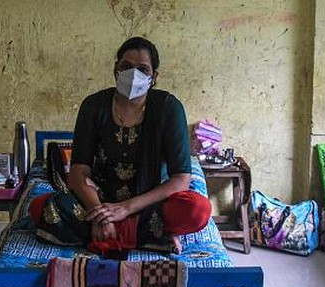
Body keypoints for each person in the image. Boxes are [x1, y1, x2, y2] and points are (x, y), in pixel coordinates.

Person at [30, 37, 211, 257]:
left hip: (149, 203)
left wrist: (125, 208)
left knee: (197, 210)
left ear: (154, 77)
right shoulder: (94, 105)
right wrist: (99, 213)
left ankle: (109, 235)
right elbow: (78, 173)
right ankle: (148, 236)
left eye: (143, 69)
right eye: (126, 67)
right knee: (40, 207)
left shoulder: (168, 107)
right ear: (116, 69)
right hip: (100, 199)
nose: (133, 75)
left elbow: (181, 178)